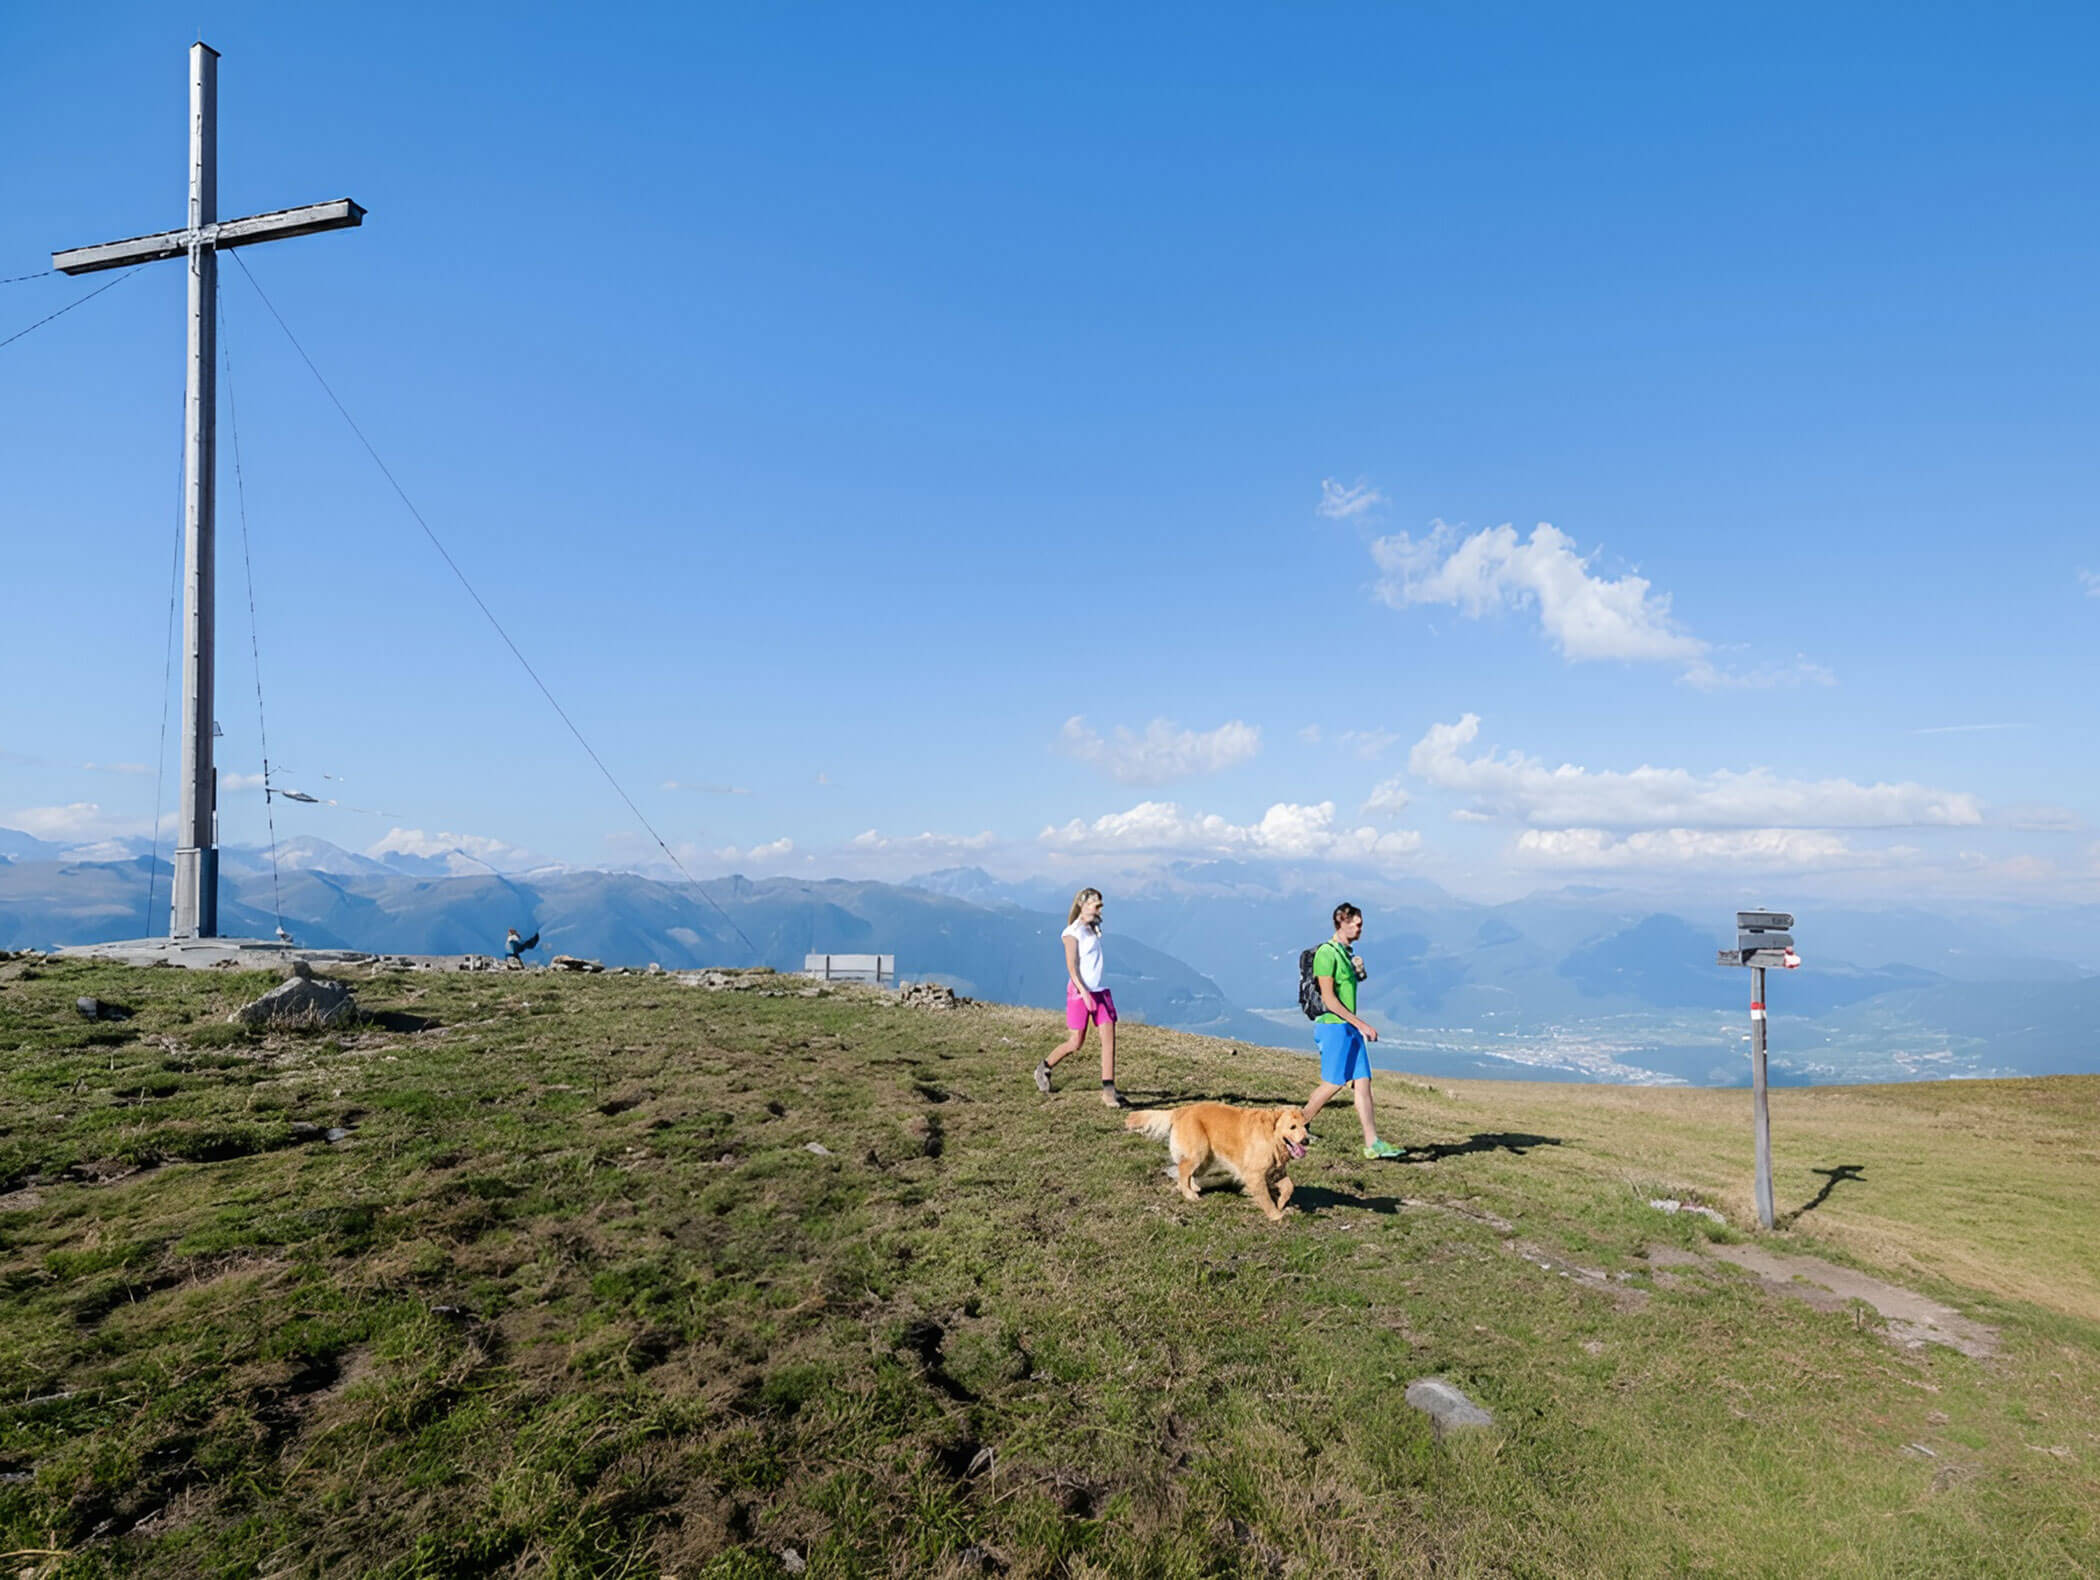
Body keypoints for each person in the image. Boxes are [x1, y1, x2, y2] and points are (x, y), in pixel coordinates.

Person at [1304, 902, 1403, 1159]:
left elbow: (1345, 991)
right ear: (1342, 921)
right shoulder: (1326, 954)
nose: (1360, 929)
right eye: (1356, 924)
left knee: (1363, 1083)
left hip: (1348, 1027)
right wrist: (1362, 1024)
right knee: (1334, 1083)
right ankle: (1296, 1125)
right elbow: (1329, 999)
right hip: (1334, 1027)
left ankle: (1372, 1143)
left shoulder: (1346, 954)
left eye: (1361, 925)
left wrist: (1358, 973)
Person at [1033, 887, 1128, 1108]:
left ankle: (1109, 1091)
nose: (1099, 910)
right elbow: (1072, 966)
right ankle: (1044, 1066)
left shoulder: (1091, 929)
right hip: (1080, 992)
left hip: (1101, 991)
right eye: (1096, 906)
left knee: (1108, 1040)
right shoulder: (1071, 933)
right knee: (1076, 1042)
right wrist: (1084, 993)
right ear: (1083, 905)